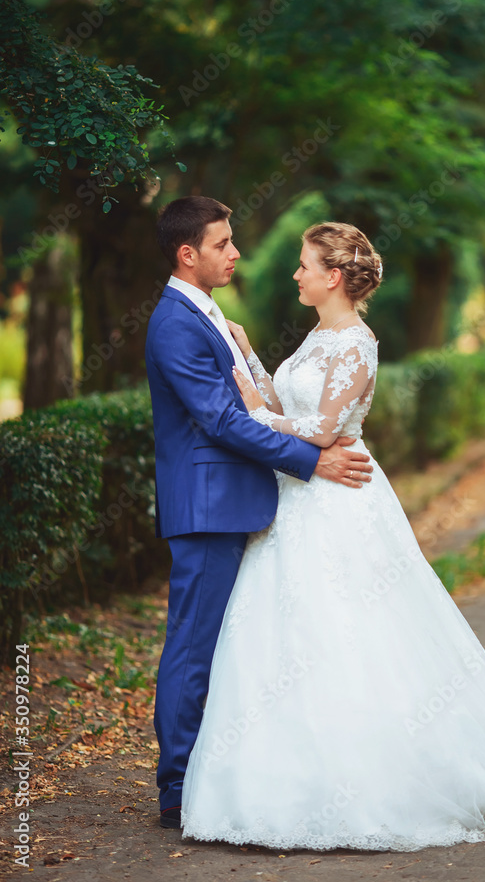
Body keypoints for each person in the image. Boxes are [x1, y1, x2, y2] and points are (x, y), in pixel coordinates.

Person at [180, 221, 485, 851]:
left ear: (333, 276)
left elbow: (322, 429)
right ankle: (286, 779)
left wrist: (250, 415)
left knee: (351, 630)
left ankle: (372, 779)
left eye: (305, 265)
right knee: (284, 632)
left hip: (339, 499)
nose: (296, 273)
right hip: (296, 499)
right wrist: (249, 354)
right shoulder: (316, 337)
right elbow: (286, 403)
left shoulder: (356, 342)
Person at [145, 198, 373, 829]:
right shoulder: (175, 323)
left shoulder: (210, 316)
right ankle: (179, 788)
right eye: (223, 243)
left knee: (231, 644)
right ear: (188, 254)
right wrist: (311, 460)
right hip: (208, 507)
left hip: (236, 502)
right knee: (194, 647)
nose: (236, 252)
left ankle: (214, 774)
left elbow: (251, 399)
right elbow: (219, 420)